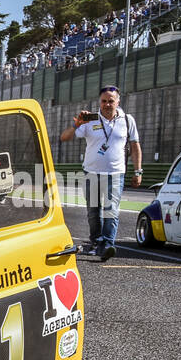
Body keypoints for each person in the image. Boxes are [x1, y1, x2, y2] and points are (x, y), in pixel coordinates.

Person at [59, 85, 141, 260]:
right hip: (91, 173)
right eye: (104, 101)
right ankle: (96, 242)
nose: (107, 104)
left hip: (115, 173)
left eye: (111, 101)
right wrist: (76, 124)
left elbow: (135, 146)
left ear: (118, 101)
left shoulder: (127, 120)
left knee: (112, 210)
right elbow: (64, 137)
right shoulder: (89, 120)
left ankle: (108, 245)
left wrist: (138, 171)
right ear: (99, 102)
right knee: (93, 211)